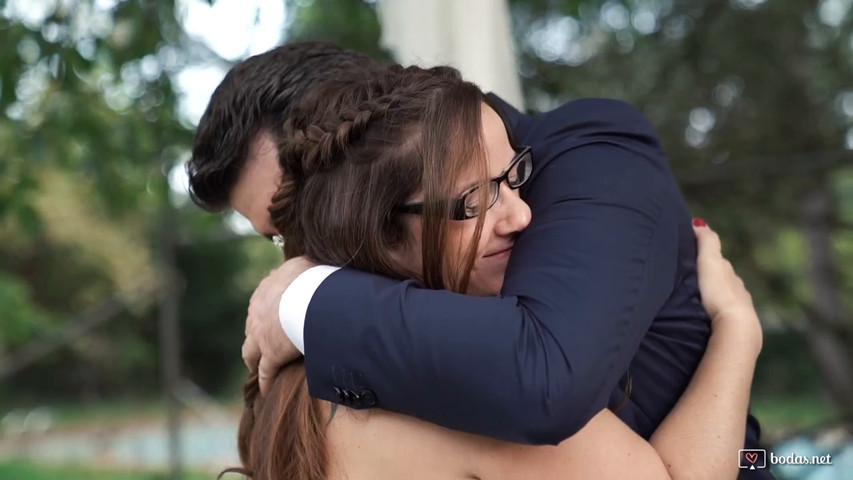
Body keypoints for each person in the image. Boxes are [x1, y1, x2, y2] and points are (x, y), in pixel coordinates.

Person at [189, 42, 770, 479]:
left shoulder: (589, 160)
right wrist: (737, 333)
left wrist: (304, 300)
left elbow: (544, 371)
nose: (306, 246)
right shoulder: (393, 367)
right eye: (281, 232)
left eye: (301, 208)